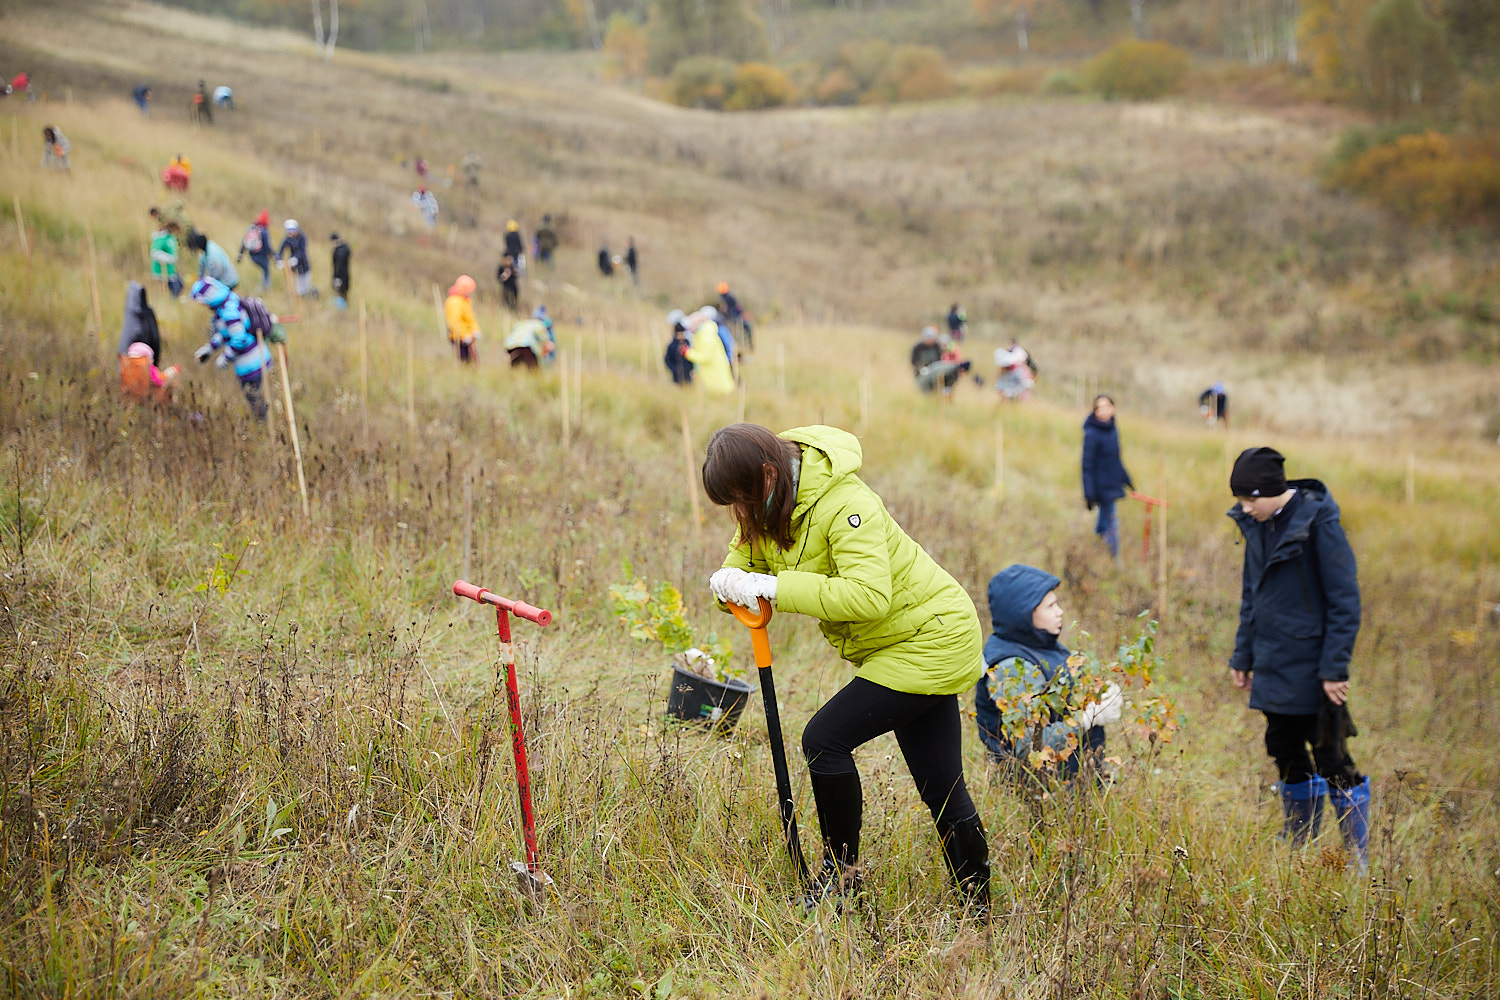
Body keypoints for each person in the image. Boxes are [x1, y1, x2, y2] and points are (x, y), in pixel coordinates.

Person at [704, 423, 990, 914]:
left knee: (823, 739)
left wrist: (775, 588)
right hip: (895, 644)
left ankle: (841, 877)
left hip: (933, 638)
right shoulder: (765, 501)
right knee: (940, 785)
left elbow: (869, 596)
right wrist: (726, 581)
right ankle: (979, 909)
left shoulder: (846, 503)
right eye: (734, 503)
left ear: (770, 473)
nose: (742, 512)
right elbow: (743, 562)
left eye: (744, 498)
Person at [1227, 446, 1368, 868]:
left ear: (1273, 491)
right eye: (1240, 499)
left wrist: (1333, 669)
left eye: (1251, 499)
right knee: (1283, 747)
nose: (1244, 507)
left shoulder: (1318, 524)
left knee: (1331, 756)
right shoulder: (1257, 525)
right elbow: (1252, 595)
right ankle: (1300, 843)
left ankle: (1354, 856)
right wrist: (1243, 655)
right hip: (1272, 661)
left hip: (1314, 667)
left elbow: (1346, 602)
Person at [973, 565, 1120, 779]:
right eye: (1050, 606)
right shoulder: (1013, 668)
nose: (1059, 611)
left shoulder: (1038, 643)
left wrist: (1101, 694)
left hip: (1070, 783)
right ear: (1023, 612)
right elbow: (1028, 746)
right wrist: (1086, 719)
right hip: (1041, 795)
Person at [190, 277, 271, 421]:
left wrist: (225, 358)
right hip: (256, 359)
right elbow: (226, 333)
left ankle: (263, 427)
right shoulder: (227, 304)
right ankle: (264, 422)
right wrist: (209, 348)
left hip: (251, 364)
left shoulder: (229, 311)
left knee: (255, 399)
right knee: (257, 397)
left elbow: (239, 339)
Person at [1081, 395, 1133, 559]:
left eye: (1107, 406)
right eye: (1099, 407)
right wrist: (1089, 493)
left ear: (1113, 408)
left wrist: (1127, 480)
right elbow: (1087, 465)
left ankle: (1096, 550)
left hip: (1112, 483)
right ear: (1094, 410)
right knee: (1111, 522)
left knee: (1104, 521)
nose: (1103, 411)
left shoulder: (1113, 429)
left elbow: (1116, 459)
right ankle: (1114, 559)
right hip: (1100, 487)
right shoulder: (1092, 433)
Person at [117, 281, 164, 394]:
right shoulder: (131, 316)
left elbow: (155, 337)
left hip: (148, 357)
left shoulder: (148, 312)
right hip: (132, 360)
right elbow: (125, 342)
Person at [681, 309, 734, 395]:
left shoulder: (707, 337)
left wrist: (688, 353)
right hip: (709, 378)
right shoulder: (700, 335)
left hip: (716, 379)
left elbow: (705, 357)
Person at [444, 274, 481, 365]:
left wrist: (475, 330)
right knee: (464, 361)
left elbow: (470, 318)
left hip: (468, 337)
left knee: (474, 360)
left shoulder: (465, 301)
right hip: (458, 338)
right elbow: (454, 322)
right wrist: (464, 335)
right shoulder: (454, 302)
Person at [275, 220, 316, 299]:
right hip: (295, 268)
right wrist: (278, 260)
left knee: (306, 287)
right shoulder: (288, 239)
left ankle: (310, 298)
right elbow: (281, 249)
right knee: (298, 289)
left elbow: (302, 251)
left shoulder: (302, 237)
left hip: (304, 265)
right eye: (289, 231)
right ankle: (300, 301)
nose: (291, 233)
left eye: (292, 231)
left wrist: (295, 259)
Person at [238, 211, 273, 291]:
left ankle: (261, 288)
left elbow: (245, 242)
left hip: (252, 255)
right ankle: (264, 290)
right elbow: (267, 247)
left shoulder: (251, 227)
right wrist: (274, 256)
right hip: (261, 256)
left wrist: (240, 255)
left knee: (263, 272)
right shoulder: (264, 231)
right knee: (266, 272)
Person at [150, 218, 184, 299]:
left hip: (171, 269)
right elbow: (155, 252)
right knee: (174, 289)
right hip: (163, 270)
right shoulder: (161, 237)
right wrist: (169, 258)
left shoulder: (172, 237)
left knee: (180, 285)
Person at [664, 314, 694, 386]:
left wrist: (691, 368)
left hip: (688, 374)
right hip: (677, 376)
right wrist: (674, 369)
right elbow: (668, 359)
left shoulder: (687, 343)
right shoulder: (672, 345)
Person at [329, 232, 351, 310]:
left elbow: (339, 266)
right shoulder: (345, 248)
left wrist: (338, 278)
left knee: (341, 294)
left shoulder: (340, 252)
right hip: (344, 276)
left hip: (341, 277)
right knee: (342, 294)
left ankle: (342, 309)